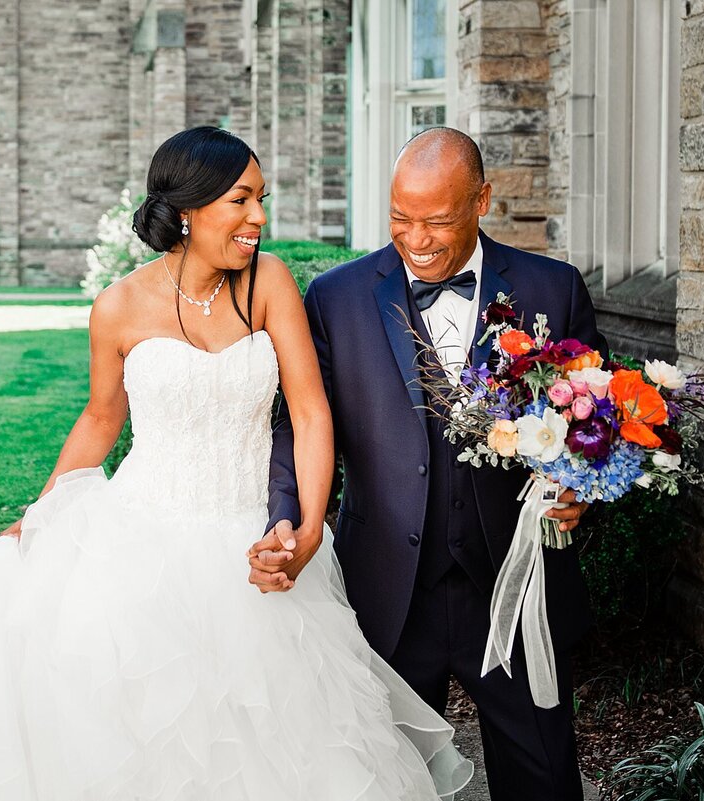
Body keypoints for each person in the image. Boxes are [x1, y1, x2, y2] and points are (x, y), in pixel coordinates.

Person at [0, 126, 471, 800]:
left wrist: (304, 530)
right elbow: (101, 419)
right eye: (242, 200)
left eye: (261, 199)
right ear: (189, 207)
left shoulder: (269, 282)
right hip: (139, 540)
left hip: (254, 541)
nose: (259, 218)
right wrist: (38, 515)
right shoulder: (119, 306)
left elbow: (308, 413)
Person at [252, 127, 606, 801]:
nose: (417, 239)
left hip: (513, 585)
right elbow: (298, 426)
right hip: (384, 587)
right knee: (384, 781)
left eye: (438, 220)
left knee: (544, 776)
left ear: (482, 202)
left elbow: (596, 417)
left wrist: (580, 486)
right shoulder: (336, 297)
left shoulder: (551, 289)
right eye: (400, 220)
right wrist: (287, 518)